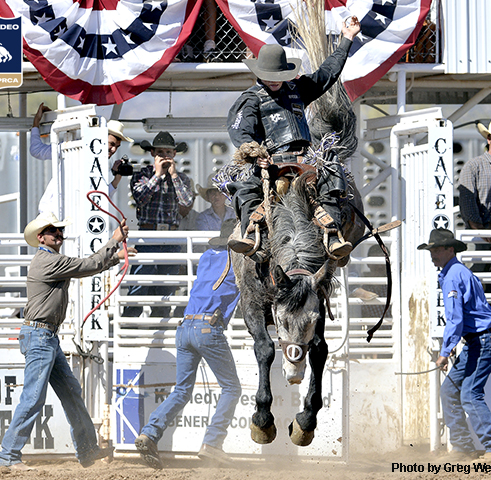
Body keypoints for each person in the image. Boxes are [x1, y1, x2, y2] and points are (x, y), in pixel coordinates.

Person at [0, 211, 136, 471]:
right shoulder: (48, 262)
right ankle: (8, 456)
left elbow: (85, 266)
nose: (59, 234)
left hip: (45, 335)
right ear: (41, 237)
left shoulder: (50, 261)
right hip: (41, 336)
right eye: (53, 231)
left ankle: (87, 450)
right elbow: (87, 266)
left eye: (59, 231)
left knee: (70, 392)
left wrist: (112, 257)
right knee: (34, 397)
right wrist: (114, 242)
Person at [225, 16, 361, 262]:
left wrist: (347, 39)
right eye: (269, 74)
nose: (274, 79)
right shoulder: (251, 98)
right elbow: (240, 131)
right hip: (270, 163)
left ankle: (333, 236)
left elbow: (326, 74)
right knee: (245, 190)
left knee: (332, 175)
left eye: (278, 74)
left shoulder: (296, 90)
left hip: (304, 160)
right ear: (259, 73)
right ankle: (252, 238)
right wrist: (256, 156)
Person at [135, 219, 241, 469]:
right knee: (231, 388)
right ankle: (212, 443)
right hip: (208, 328)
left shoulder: (207, 257)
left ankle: (149, 432)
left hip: (185, 327)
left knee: (181, 390)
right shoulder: (237, 260)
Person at [417, 228, 491, 464]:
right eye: (432, 250)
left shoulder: (452, 276)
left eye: (437, 249)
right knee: (450, 391)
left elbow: (456, 319)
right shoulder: (456, 272)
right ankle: (462, 446)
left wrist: (445, 352)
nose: (433, 254)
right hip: (479, 339)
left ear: (450, 249)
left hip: (482, 339)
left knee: (469, 393)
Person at [123, 131, 194, 318]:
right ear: (153, 154)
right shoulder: (142, 175)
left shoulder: (182, 178)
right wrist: (157, 175)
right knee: (139, 283)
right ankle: (129, 325)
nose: (165, 156)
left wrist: (173, 175)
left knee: (167, 286)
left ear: (174, 155)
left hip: (171, 237)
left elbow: (186, 202)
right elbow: (140, 198)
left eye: (168, 153)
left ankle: (160, 325)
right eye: (161, 152)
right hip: (148, 235)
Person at [31, 103, 133, 214]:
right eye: (111, 144)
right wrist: (36, 122)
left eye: (117, 146)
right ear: (100, 138)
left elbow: (100, 198)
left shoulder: (100, 163)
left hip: (73, 218)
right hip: (52, 213)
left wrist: (117, 179)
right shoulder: (74, 148)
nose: (113, 150)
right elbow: (37, 151)